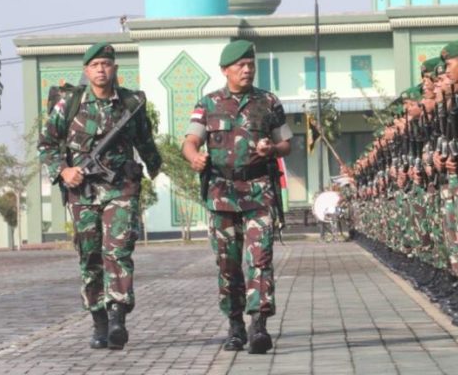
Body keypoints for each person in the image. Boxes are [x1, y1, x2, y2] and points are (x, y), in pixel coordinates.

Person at [38, 42, 162, 350]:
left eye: (106, 64)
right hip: (83, 191)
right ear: (86, 71)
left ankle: (118, 315)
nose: (101, 70)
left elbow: (144, 139)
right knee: (90, 257)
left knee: (118, 251)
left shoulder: (130, 104)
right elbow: (47, 145)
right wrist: (63, 171)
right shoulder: (69, 103)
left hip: (121, 187)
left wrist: (156, 165)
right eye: (95, 65)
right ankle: (99, 321)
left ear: (115, 69)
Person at [182, 39, 292, 354]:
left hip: (258, 191)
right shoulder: (208, 103)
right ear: (225, 70)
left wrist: (273, 148)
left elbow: (287, 143)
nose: (247, 70)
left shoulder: (268, 102)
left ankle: (259, 325)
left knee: (260, 259)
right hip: (221, 195)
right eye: (240, 66)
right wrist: (195, 158)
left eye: (250, 65)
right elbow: (190, 142)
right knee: (228, 264)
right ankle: (234, 326)